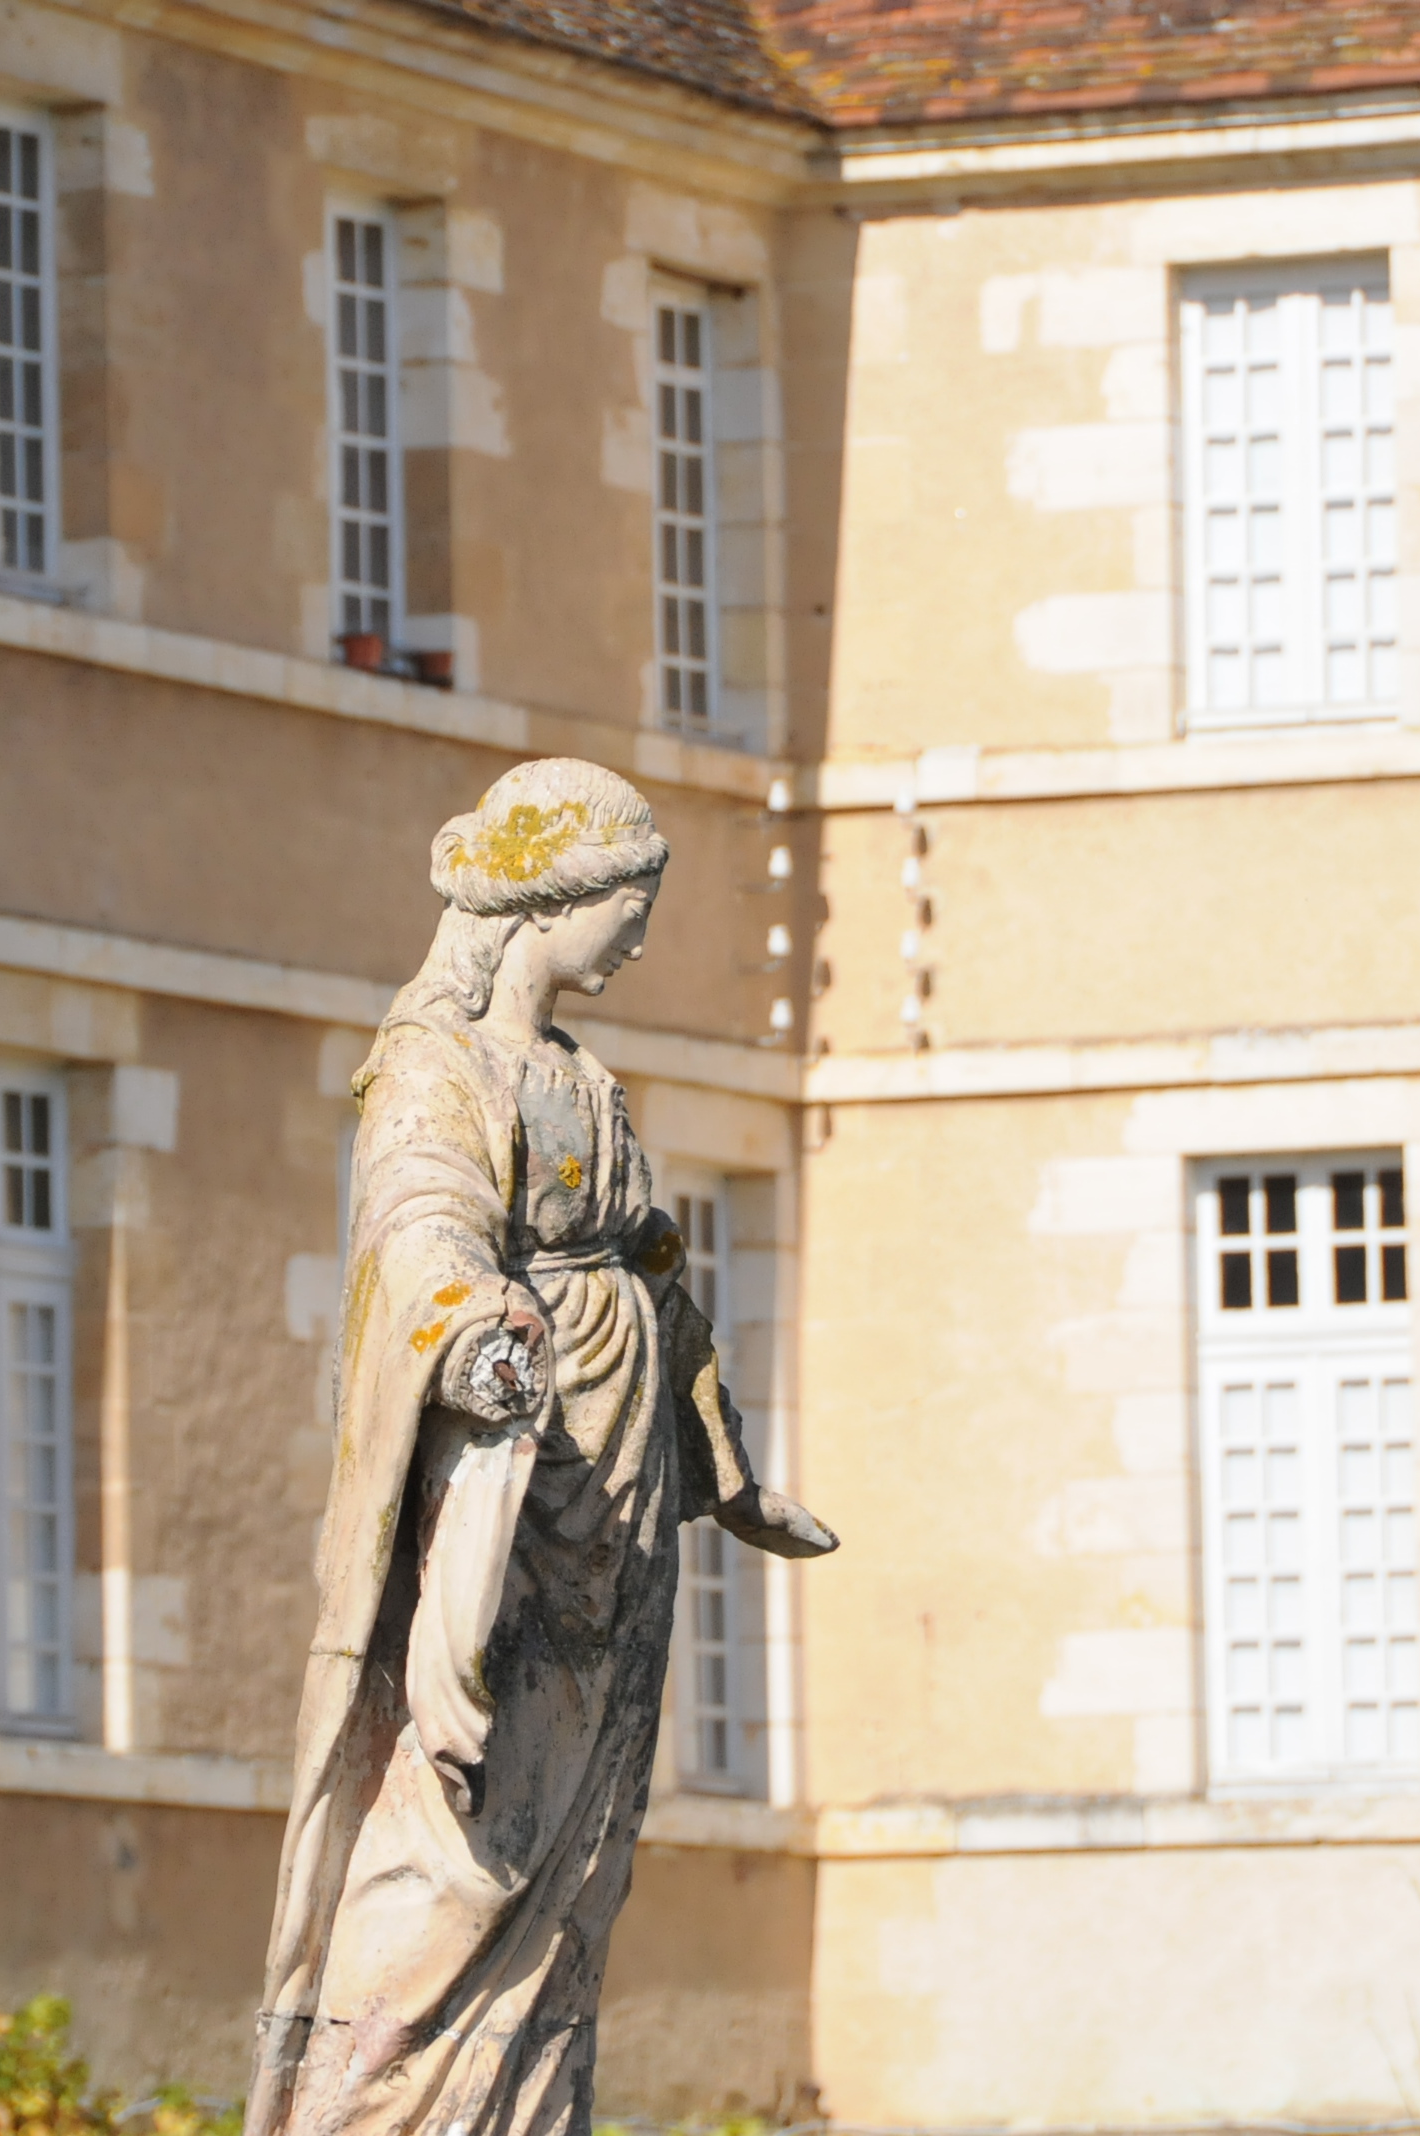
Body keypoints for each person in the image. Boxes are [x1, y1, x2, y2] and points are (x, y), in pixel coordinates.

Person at [247, 759, 836, 2136]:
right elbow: (421, 1221)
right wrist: (478, 1331)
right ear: (547, 901)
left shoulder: (587, 1076)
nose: (638, 932)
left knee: (581, 1854)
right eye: (628, 901)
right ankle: (374, 2111)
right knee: (464, 1836)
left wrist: (733, 1477)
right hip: (512, 1492)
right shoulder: (434, 1066)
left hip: (620, 1505)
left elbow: (657, 1278)